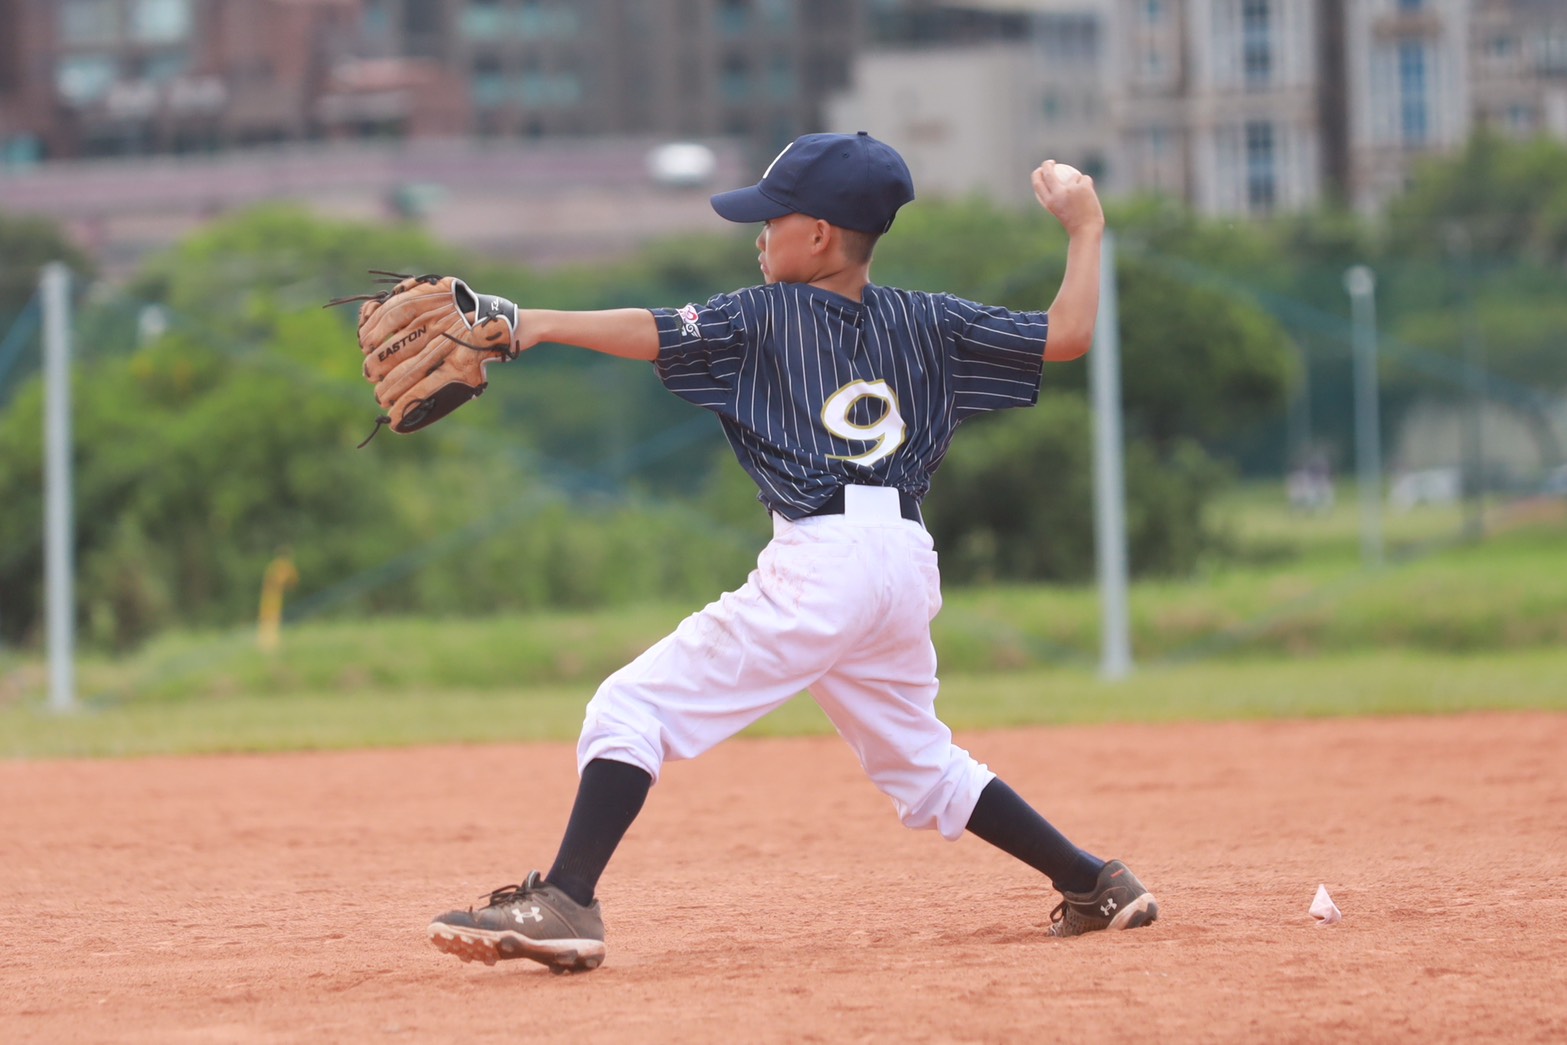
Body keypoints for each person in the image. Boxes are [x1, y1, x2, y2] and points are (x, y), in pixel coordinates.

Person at [427, 132, 1158, 974]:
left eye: (770, 219)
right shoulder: (932, 318)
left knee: (628, 710)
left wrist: (532, 323)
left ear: (816, 234)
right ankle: (1092, 881)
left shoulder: (760, 313)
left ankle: (565, 898)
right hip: (903, 556)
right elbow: (1067, 334)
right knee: (921, 762)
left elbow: (653, 330)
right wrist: (1085, 226)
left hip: (825, 558)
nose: (758, 234)